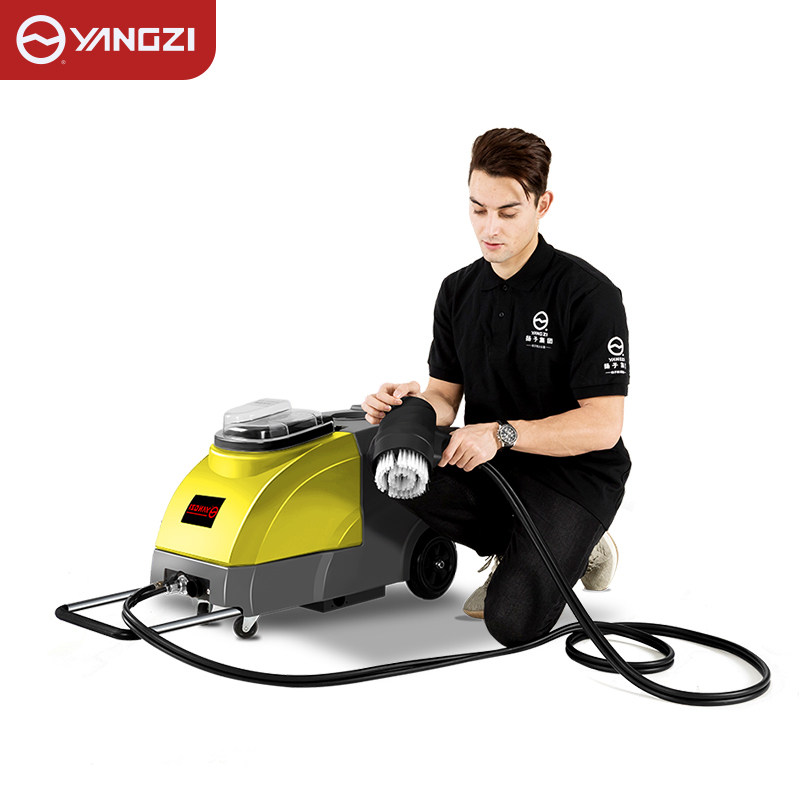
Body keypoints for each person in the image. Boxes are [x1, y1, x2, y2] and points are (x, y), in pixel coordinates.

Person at [361, 128, 631, 647]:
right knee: (389, 462)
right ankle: (527, 546)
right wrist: (408, 406)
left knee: (511, 624)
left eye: (508, 212)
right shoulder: (458, 291)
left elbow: (603, 425)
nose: (490, 228)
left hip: (574, 476)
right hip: (494, 465)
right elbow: (444, 398)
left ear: (542, 205)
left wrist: (501, 433)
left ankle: (580, 543)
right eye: (478, 209)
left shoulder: (589, 296)